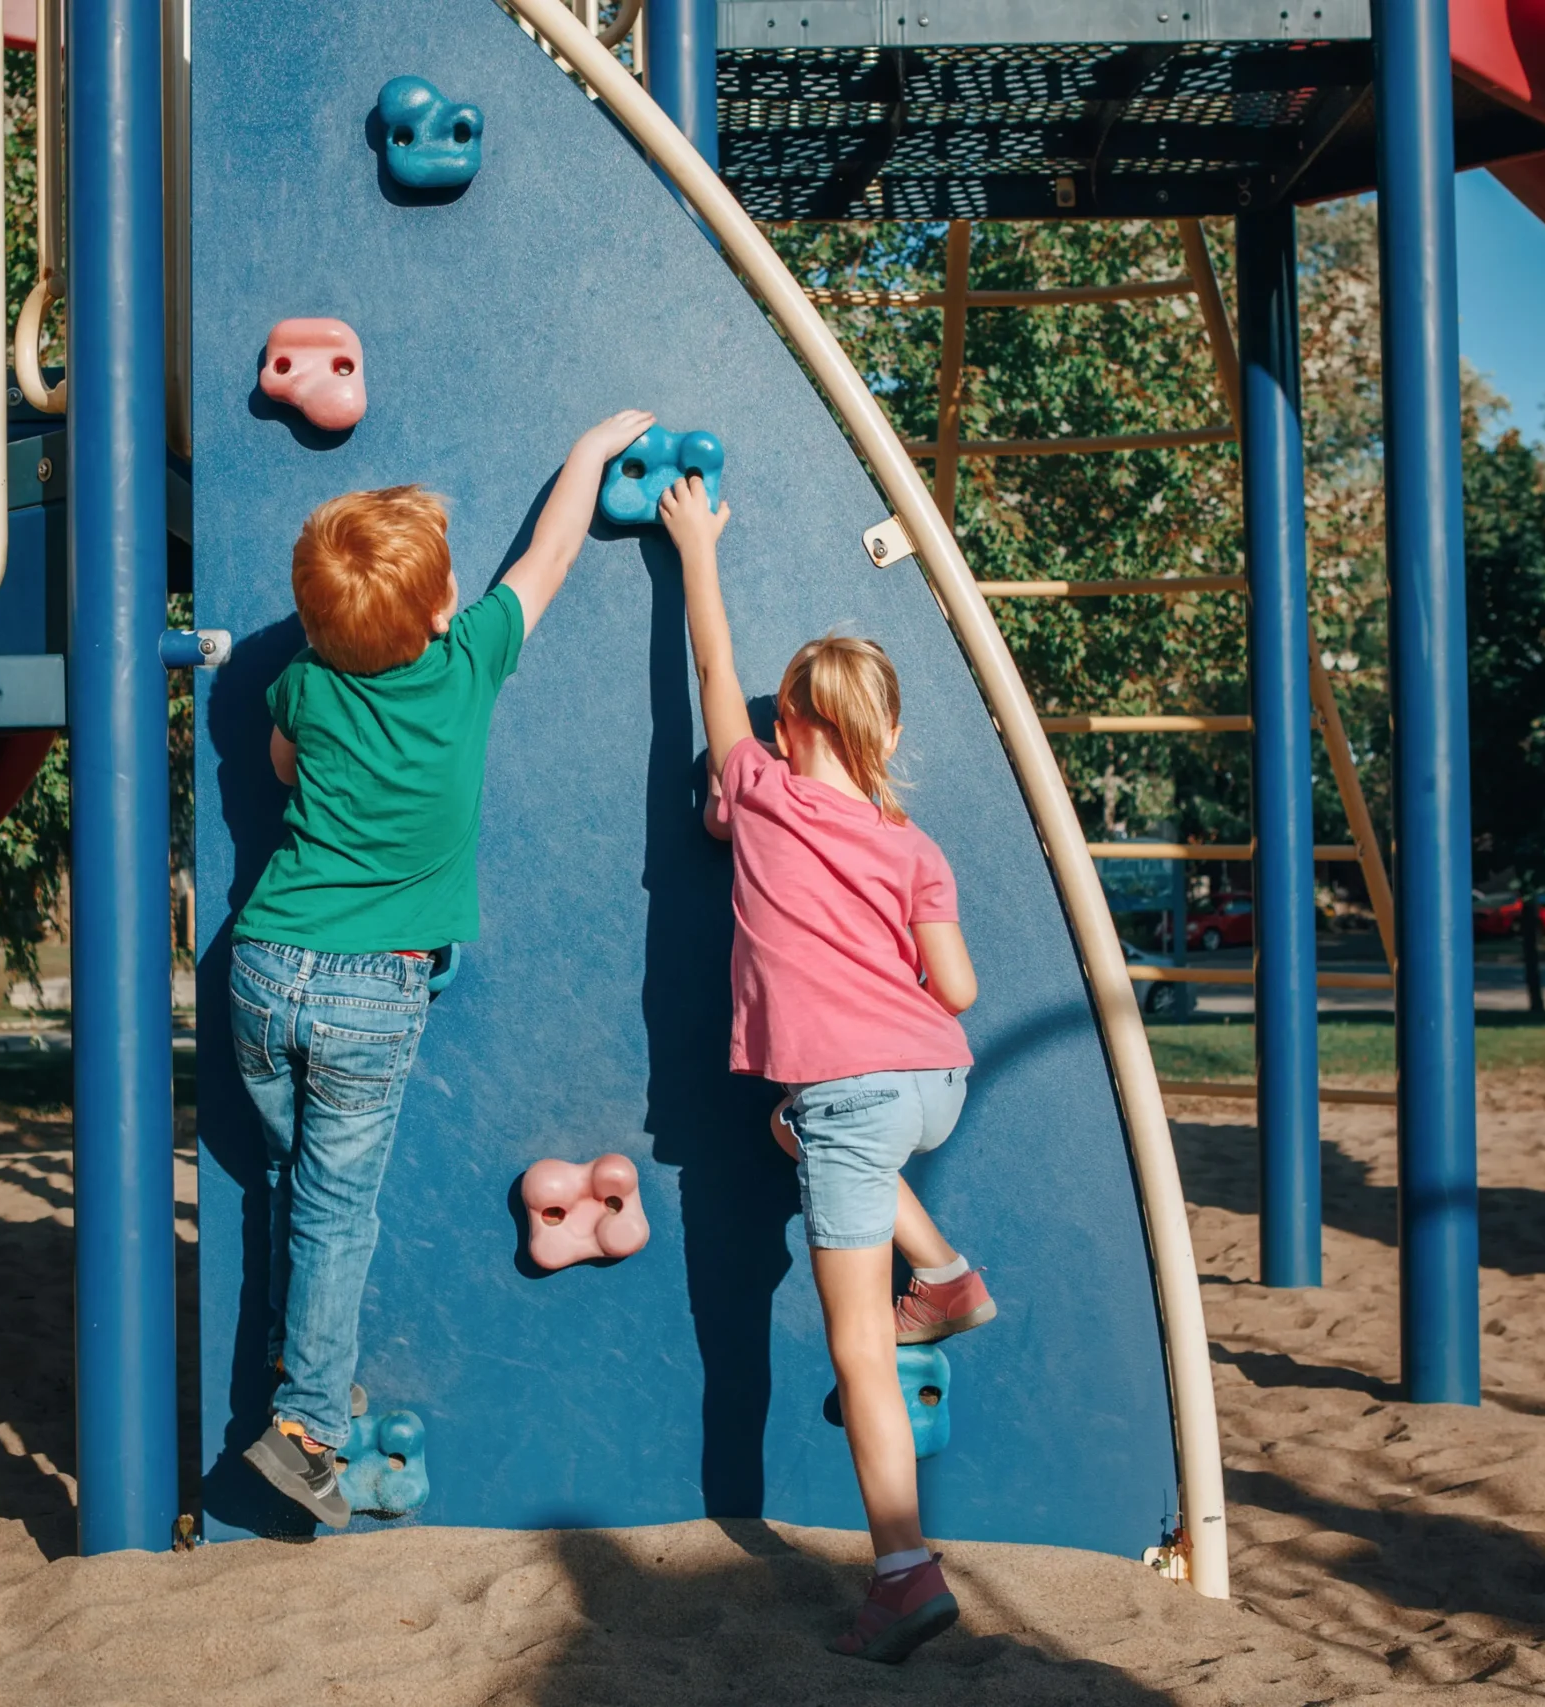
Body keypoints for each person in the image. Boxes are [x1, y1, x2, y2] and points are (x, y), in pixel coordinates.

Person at [232, 410, 657, 1527]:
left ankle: (302, 1364)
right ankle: (310, 1425)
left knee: (302, 1184)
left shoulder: (305, 687)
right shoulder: (469, 659)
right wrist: (585, 454)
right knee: (332, 1205)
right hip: (373, 989)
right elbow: (550, 557)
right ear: (437, 609)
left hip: (266, 967)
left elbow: (281, 771)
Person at [660, 474, 994, 1663]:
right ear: (888, 733)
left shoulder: (755, 790)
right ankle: (946, 1273)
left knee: (855, 1339)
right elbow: (954, 989)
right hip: (933, 1081)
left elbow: (709, 662)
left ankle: (902, 1573)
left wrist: (696, 547)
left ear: (788, 723)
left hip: (851, 1094)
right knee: (797, 1137)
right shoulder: (914, 845)